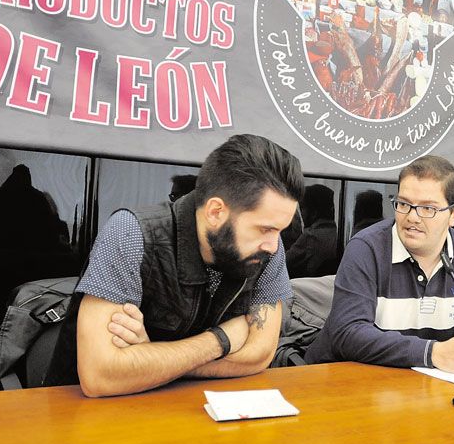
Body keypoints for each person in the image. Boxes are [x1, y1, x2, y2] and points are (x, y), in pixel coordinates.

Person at [46, 134, 303, 396]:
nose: (274, 244)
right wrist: (220, 341)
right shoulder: (132, 234)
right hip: (88, 419)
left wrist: (151, 359)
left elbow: (260, 354)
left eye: (279, 230)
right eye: (265, 229)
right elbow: (100, 376)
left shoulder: (267, 250)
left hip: (196, 413)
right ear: (216, 212)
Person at [305, 155, 454, 373]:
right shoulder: (366, 247)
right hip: (341, 379)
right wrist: (432, 353)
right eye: (404, 204)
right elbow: (348, 332)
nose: (412, 217)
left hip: (418, 382)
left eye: (427, 208)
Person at [285, 184, 339, 278]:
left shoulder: (311, 236)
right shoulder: (337, 233)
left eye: (302, 208)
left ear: (313, 213)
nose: (301, 214)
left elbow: (284, 262)